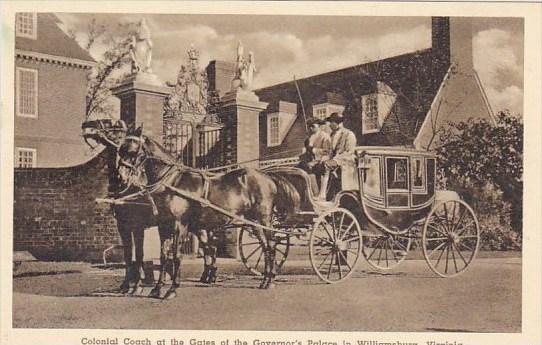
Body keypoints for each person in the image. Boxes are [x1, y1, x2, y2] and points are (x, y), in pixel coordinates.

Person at [318, 112, 358, 200]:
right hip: (335, 163)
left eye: (331, 122)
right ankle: (321, 194)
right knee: (319, 166)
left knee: (326, 165)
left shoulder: (349, 134)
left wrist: (335, 160)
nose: (329, 125)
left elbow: (349, 153)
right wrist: (324, 158)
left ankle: (322, 195)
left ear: (337, 122)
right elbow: (330, 152)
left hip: (346, 164)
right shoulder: (332, 135)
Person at [298, 118, 331, 188]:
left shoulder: (324, 136)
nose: (311, 128)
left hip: (321, 161)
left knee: (316, 170)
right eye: (309, 126)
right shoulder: (310, 137)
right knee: (298, 168)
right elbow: (307, 151)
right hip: (310, 161)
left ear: (319, 126)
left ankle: (318, 190)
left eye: (313, 126)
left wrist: (313, 150)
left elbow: (327, 151)